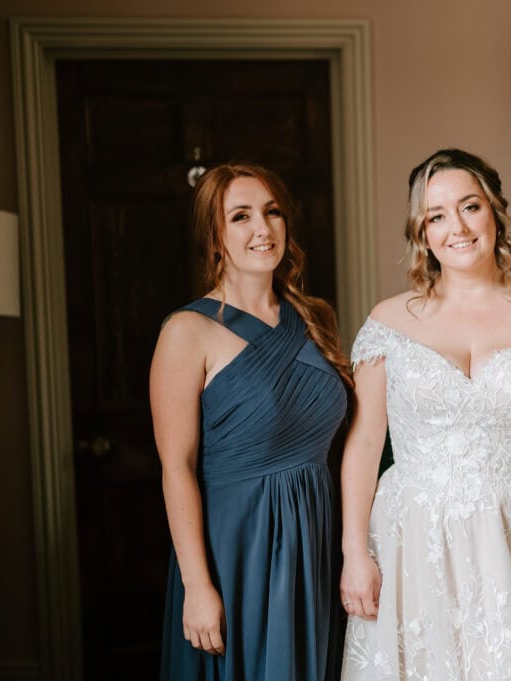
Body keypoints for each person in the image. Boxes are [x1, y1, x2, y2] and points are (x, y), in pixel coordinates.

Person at [339, 149, 511, 680]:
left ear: (495, 213)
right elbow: (365, 445)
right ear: (423, 232)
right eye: (436, 216)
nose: (456, 227)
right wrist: (353, 552)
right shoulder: (388, 321)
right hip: (414, 538)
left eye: (470, 207)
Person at [151, 162, 350, 680]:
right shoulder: (187, 331)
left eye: (272, 212)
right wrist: (198, 585)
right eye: (241, 216)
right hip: (237, 550)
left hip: (315, 541)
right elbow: (177, 467)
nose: (262, 229)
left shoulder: (313, 320)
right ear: (215, 238)